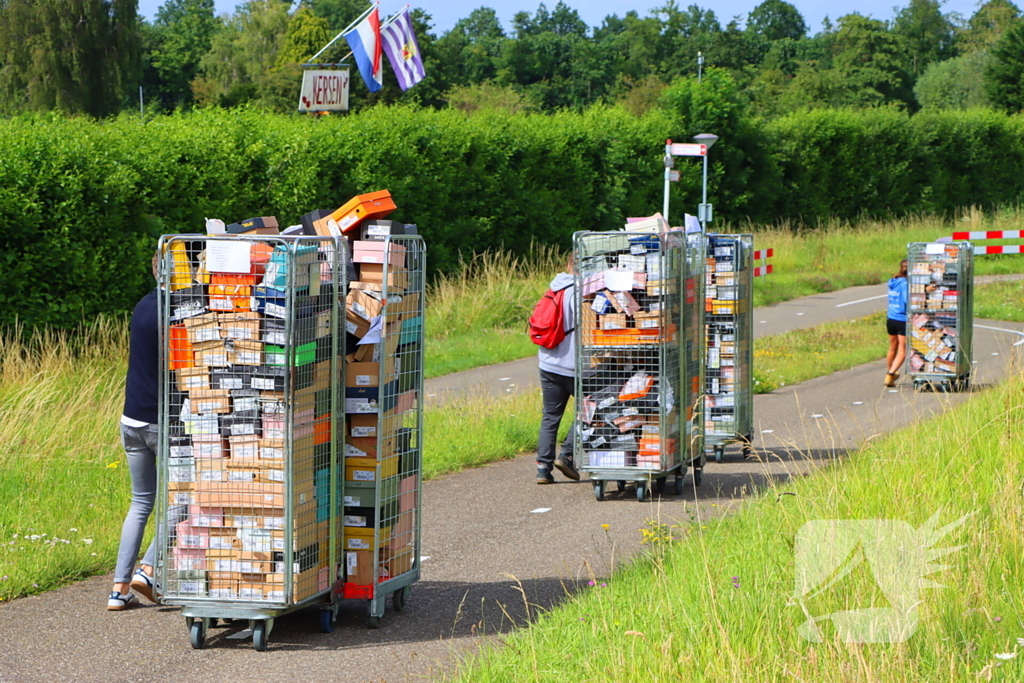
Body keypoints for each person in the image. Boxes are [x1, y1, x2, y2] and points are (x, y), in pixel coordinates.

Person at [108, 253, 162, 610]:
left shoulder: (142, 306)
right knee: (186, 502)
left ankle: (119, 588)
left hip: (131, 420)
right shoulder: (174, 312)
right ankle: (148, 569)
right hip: (161, 423)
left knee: (140, 502)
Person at [536, 257, 580, 484]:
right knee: (589, 409)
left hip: (548, 362)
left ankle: (543, 467)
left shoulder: (554, 287)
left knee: (551, 416)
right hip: (576, 365)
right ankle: (568, 454)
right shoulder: (584, 292)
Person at [885, 259, 909, 388]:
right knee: (902, 350)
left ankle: (891, 373)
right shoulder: (905, 283)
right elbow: (907, 300)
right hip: (902, 319)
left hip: (891, 318)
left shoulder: (893, 281)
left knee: (892, 348)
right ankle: (890, 374)